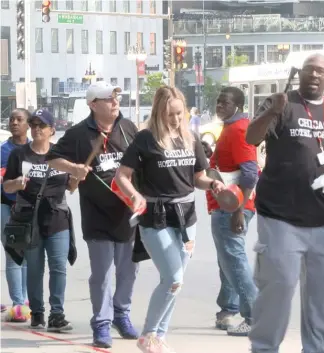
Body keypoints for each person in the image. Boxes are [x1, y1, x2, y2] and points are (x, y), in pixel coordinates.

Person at [245, 53, 324, 353]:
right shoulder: (282, 103)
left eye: (321, 71)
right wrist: (272, 112)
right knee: (280, 286)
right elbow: (251, 137)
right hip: (280, 217)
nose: (314, 75)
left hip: (322, 219)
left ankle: (317, 348)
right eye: (309, 70)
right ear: (300, 74)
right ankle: (264, 347)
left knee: (321, 296)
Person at [115, 86, 224, 353]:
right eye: (169, 115)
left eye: (179, 113)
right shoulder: (145, 139)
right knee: (173, 277)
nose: (175, 120)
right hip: (156, 217)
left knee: (177, 282)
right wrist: (135, 197)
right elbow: (121, 176)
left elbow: (197, 177)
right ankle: (148, 334)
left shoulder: (191, 138)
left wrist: (213, 185)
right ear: (158, 113)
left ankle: (158, 336)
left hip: (187, 218)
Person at [46, 81, 140, 348]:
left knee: (128, 271)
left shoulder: (128, 127)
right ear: (92, 104)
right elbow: (51, 157)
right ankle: (101, 322)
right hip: (97, 214)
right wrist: (74, 168)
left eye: (116, 97)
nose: (114, 102)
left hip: (127, 212)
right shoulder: (78, 134)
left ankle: (121, 314)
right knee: (101, 273)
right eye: (109, 98)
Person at [3, 109, 77, 331]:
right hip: (29, 220)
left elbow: (71, 187)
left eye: (41, 125)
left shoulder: (61, 154)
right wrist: (16, 183)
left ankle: (57, 313)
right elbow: (6, 186)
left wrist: (76, 179)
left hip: (57, 218)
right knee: (35, 269)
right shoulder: (20, 155)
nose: (36, 129)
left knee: (58, 267)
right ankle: (37, 312)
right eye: (34, 124)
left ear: (52, 130)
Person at [207, 87, 259, 336]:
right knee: (227, 259)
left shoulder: (238, 130)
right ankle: (228, 310)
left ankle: (254, 316)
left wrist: (239, 209)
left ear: (237, 106)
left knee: (234, 260)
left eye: (225, 102)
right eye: (218, 101)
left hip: (233, 206)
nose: (220, 105)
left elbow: (250, 173)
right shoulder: (231, 128)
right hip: (227, 204)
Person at [1, 108, 30, 320]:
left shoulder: (34, 149)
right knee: (13, 255)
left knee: (29, 255)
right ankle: (18, 304)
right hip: (6, 206)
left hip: (29, 208)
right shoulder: (3, 150)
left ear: (28, 124)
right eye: (12, 119)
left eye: (19, 119)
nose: (14, 122)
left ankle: (27, 301)